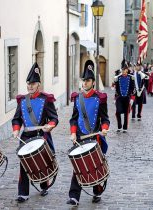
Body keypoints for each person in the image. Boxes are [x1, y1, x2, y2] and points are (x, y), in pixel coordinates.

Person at [12, 62, 59, 203]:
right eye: (28, 83)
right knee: (24, 163)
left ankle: (44, 185)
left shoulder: (46, 99)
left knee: (42, 162)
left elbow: (54, 118)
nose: (30, 86)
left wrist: (50, 125)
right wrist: (15, 130)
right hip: (26, 136)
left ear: (38, 84)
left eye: (33, 83)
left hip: (40, 135)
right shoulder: (22, 100)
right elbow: (16, 119)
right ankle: (23, 193)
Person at [67, 60, 110, 206]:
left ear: (93, 82)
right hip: (80, 136)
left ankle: (97, 191)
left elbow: (105, 119)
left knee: (95, 165)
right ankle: (74, 196)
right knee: (78, 166)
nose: (85, 83)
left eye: (88, 80)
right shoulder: (77, 98)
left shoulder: (100, 98)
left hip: (95, 137)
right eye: (84, 80)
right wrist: (73, 133)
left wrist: (104, 128)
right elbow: (73, 119)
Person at [114, 60, 136, 132]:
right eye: (122, 70)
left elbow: (133, 89)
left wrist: (132, 98)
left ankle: (125, 127)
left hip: (127, 97)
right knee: (118, 112)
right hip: (119, 97)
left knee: (126, 113)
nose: (124, 71)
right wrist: (115, 98)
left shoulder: (131, 78)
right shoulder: (117, 78)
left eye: (125, 70)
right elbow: (116, 89)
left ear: (127, 70)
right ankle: (119, 126)